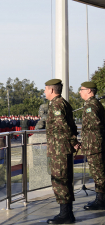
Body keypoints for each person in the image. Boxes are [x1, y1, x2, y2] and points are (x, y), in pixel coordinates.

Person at [44, 79, 80, 224]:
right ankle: (68, 213)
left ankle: (65, 215)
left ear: (52, 90)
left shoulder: (56, 105)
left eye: (46, 89)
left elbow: (63, 126)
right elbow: (71, 125)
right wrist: (73, 141)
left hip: (59, 149)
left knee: (60, 181)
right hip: (61, 148)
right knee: (65, 180)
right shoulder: (63, 103)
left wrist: (73, 141)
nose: (45, 92)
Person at [78, 81, 105, 210]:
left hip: (94, 145)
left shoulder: (91, 105)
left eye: (82, 89)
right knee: (98, 172)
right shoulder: (93, 104)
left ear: (89, 91)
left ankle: (101, 200)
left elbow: (95, 124)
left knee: (98, 173)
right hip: (94, 144)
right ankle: (100, 199)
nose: (79, 92)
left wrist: (88, 140)